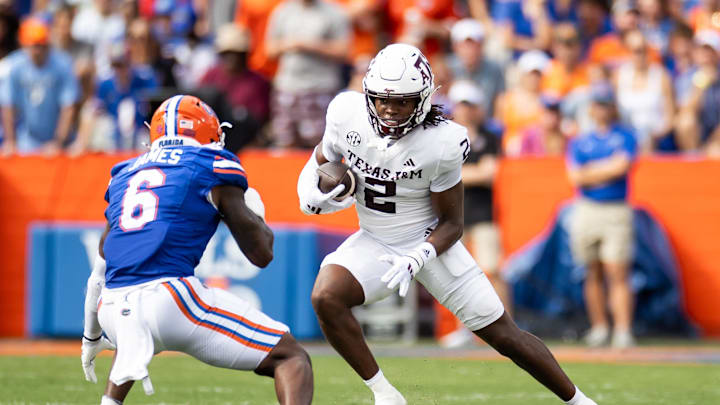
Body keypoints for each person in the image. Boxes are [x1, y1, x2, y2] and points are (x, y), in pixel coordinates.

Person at [298, 43, 597, 405]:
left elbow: (453, 223)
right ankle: (385, 395)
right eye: (381, 99)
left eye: (403, 101)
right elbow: (322, 161)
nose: (390, 110)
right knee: (325, 296)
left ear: (422, 100)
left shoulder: (443, 142)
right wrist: (311, 192)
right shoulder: (346, 113)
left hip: (429, 241)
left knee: (503, 335)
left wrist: (419, 256)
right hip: (376, 240)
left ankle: (581, 402)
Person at [80, 95, 313, 405]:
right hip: (168, 298)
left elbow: (99, 273)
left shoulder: (124, 173)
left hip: (110, 308)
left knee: (133, 322)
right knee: (291, 357)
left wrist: (90, 338)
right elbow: (262, 254)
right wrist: (255, 214)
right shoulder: (210, 163)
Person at [566, 83, 637, 349]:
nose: (602, 109)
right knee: (591, 269)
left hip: (615, 208)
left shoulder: (626, 135)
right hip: (587, 208)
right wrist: (604, 169)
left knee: (617, 270)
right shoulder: (581, 140)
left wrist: (591, 172)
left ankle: (622, 328)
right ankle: (600, 327)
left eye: (606, 103)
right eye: (598, 104)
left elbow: (622, 167)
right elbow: (575, 177)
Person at [1, 17, 78, 155]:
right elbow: (7, 105)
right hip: (26, 140)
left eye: (41, 45)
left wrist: (58, 142)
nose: (37, 50)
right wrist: (11, 141)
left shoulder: (63, 64)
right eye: (33, 45)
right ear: (24, 45)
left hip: (59, 142)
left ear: (48, 44)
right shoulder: (14, 65)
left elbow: (68, 107)